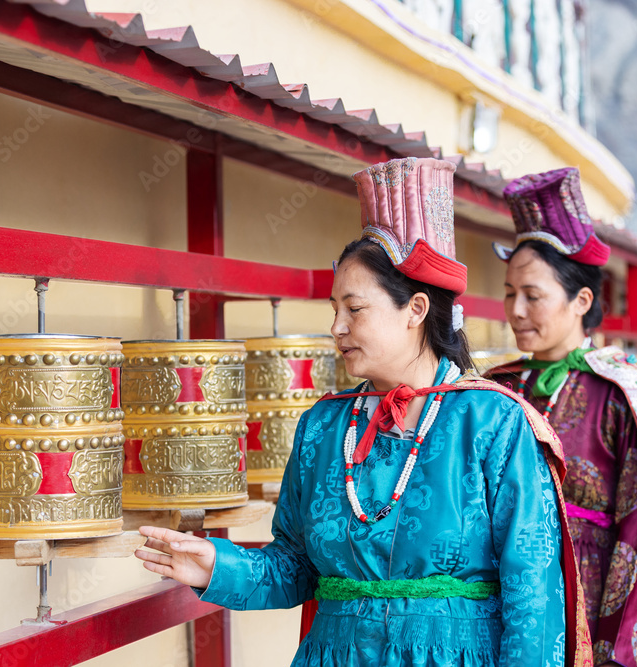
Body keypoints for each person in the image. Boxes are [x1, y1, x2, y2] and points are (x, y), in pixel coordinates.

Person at [135, 157, 591, 666]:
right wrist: (217, 566)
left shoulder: (492, 421)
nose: (337, 327)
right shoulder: (323, 426)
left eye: (354, 309)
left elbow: (534, 597)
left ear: (416, 310)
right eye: (334, 310)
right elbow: (295, 569)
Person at [484, 167, 637, 667]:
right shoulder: (497, 390)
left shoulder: (622, 397)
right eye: (510, 293)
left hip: (586, 602)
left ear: (581, 301)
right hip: (498, 604)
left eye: (532, 295)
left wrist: (613, 649)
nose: (515, 310)